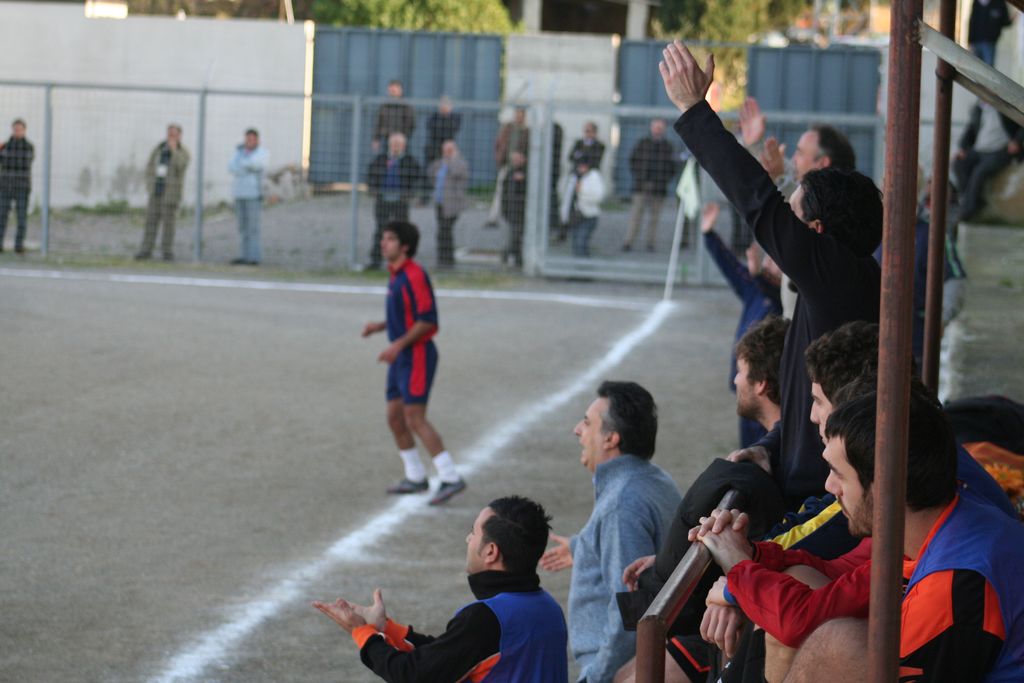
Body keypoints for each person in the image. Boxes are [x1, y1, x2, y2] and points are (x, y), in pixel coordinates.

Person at [661, 40, 883, 510]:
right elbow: (803, 411)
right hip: (806, 484)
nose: (780, 235)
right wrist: (770, 447)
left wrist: (694, 110)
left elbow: (758, 202)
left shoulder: (837, 273)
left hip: (822, 501)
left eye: (793, 219)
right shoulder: (837, 282)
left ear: (816, 233)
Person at [693, 390, 1024, 682]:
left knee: (836, 644)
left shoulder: (955, 581)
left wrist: (739, 569)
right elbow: (837, 576)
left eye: (839, 474)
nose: (829, 487)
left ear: (884, 487)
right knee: (804, 587)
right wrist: (752, 557)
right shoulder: (938, 528)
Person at [314, 495, 569, 682]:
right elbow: (452, 654)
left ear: (491, 552)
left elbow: (414, 674)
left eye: (473, 533)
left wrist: (363, 633)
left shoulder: (486, 618)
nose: (468, 539)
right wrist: (387, 629)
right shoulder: (547, 607)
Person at [540, 381, 681, 683]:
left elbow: (629, 615)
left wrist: (597, 676)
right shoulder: (653, 479)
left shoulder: (622, 505)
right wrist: (583, 547)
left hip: (622, 669)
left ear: (611, 438)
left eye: (587, 423)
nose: (577, 430)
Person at [361, 221, 465, 505]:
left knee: (414, 417)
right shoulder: (396, 275)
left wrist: (397, 345)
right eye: (383, 238)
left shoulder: (414, 275)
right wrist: (380, 326)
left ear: (405, 246)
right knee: (394, 417)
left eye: (390, 239)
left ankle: (450, 477)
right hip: (401, 356)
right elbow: (406, 315)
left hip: (416, 355)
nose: (383, 243)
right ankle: (416, 476)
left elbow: (428, 321)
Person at [738, 98, 858, 318]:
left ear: (822, 163)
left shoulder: (829, 215)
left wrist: (762, 157)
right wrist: (756, 148)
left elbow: (793, 202)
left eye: (800, 153)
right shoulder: (839, 207)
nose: (794, 159)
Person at [701, 202, 782, 448]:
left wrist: (758, 275)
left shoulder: (784, 300)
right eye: (768, 258)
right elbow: (731, 267)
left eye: (774, 260)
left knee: (766, 446)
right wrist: (709, 235)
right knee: (747, 447)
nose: (767, 262)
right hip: (748, 386)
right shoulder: (754, 290)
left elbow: (775, 295)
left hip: (767, 391)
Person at [953, 98, 1023, 222]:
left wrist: (1017, 141)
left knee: (979, 172)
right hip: (979, 149)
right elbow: (970, 130)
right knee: (959, 164)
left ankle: (968, 211)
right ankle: (970, 201)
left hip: (1000, 150)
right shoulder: (978, 109)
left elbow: (1022, 122)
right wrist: (963, 148)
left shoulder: (1007, 107)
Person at [367, 133, 424, 270]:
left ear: (404, 146)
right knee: (381, 230)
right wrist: (373, 189)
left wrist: (410, 193)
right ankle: (375, 261)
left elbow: (418, 178)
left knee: (402, 231)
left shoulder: (409, 161)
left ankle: (402, 262)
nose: (395, 147)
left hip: (400, 201)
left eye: (398, 144)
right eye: (393, 144)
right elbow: (371, 175)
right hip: (383, 200)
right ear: (389, 145)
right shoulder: (381, 159)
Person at [135, 124, 190, 262]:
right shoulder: (159, 148)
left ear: (179, 136)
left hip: (171, 194)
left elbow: (180, 166)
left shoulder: (183, 152)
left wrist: (173, 150)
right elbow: (150, 165)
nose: (171, 137)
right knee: (150, 222)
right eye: (169, 134)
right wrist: (149, 184)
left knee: (169, 225)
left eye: (174, 134)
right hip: (156, 191)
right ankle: (146, 250)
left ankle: (167, 252)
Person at [623, 118, 679, 252]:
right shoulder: (642, 143)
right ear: (651, 128)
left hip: (659, 188)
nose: (657, 130)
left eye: (660, 127)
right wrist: (640, 177)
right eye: (655, 127)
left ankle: (650, 243)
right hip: (641, 186)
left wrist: (663, 180)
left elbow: (673, 167)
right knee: (636, 216)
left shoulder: (668, 146)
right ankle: (628, 242)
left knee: (654, 218)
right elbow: (633, 160)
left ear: (663, 129)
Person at [227, 128, 268, 266]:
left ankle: (254, 257)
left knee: (253, 228)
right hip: (239, 193)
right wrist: (246, 166)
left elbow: (256, 165)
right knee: (242, 227)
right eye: (247, 139)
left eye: (252, 139)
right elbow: (231, 167)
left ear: (257, 140)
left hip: (253, 194)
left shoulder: (262, 152)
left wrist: (242, 164)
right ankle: (244, 256)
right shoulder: (239, 152)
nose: (249, 141)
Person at [427, 139, 469, 269]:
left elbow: (457, 173)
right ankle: (441, 259)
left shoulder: (460, 163)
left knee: (446, 230)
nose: (447, 153)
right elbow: (431, 173)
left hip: (453, 204)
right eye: (445, 150)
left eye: (450, 150)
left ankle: (448, 260)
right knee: (441, 231)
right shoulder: (439, 163)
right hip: (440, 202)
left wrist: (453, 159)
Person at [488, 107, 529, 227]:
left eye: (521, 115)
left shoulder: (526, 131)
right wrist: (499, 157)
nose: (519, 117)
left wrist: (522, 160)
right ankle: (493, 217)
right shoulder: (508, 128)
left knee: (515, 193)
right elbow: (499, 143)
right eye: (517, 114)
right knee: (500, 190)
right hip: (506, 165)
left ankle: (513, 217)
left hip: (518, 167)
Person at [0, 118, 35, 254]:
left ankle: (19, 246)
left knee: (21, 218)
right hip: (5, 186)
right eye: (15, 129)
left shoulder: (28, 147)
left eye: (19, 129)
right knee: (2, 216)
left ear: (24, 130)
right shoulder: (5, 146)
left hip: (22, 187)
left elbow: (23, 163)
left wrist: (7, 158)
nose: (17, 132)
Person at [561, 161, 605, 258]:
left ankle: (583, 263)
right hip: (575, 215)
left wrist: (581, 192)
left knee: (581, 242)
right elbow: (567, 198)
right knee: (576, 242)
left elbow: (598, 197)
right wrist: (564, 216)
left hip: (589, 215)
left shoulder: (594, 177)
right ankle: (579, 263)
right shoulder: (573, 178)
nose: (581, 168)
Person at [372, 79, 415, 154]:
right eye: (391, 91)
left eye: (394, 90)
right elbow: (379, 123)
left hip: (402, 140)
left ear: (400, 90)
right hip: (386, 139)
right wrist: (376, 138)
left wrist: (403, 136)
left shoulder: (406, 106)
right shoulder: (384, 106)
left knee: (402, 158)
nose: (392, 92)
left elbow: (411, 123)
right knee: (386, 157)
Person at [501, 150, 528, 267]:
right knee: (516, 233)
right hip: (512, 208)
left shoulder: (527, 172)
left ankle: (511, 255)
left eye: (518, 159)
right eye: (514, 160)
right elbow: (505, 192)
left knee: (517, 234)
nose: (516, 161)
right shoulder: (509, 173)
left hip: (522, 209)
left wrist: (523, 180)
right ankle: (514, 256)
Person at [968, 0, 1013, 66]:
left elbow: (1005, 21)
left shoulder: (999, 3)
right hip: (976, 42)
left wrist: (1012, 20)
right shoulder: (976, 2)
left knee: (988, 68)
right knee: (974, 66)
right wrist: (970, 41)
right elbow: (972, 21)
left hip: (990, 42)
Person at [424, 96, 461, 167]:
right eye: (442, 104)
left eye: (446, 104)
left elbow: (452, 131)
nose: (444, 106)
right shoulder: (433, 117)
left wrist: (445, 117)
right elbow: (433, 131)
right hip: (435, 148)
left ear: (451, 106)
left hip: (448, 147)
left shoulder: (456, 118)